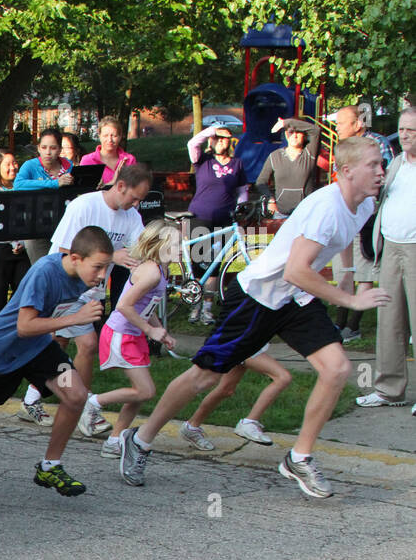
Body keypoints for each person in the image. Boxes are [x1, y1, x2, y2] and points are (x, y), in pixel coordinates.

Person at [119, 136, 389, 499]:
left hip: (295, 300)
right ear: (346, 171)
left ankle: (300, 457)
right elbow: (296, 269)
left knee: (337, 368)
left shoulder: (366, 205)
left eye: (381, 163)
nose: (380, 170)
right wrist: (349, 300)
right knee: (204, 376)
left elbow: (313, 268)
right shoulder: (327, 207)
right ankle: (141, 439)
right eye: (372, 164)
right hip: (257, 298)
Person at [0, 227, 114, 497]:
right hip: (2, 350)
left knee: (76, 395)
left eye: (107, 267)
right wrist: (75, 319)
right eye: (99, 267)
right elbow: (24, 326)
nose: (103, 275)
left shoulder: (85, 277)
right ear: (76, 258)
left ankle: (50, 466)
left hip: (38, 349)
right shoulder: (45, 272)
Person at [35, 163, 151, 435]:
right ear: (120, 185)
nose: (136, 204)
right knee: (86, 345)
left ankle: (37, 396)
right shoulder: (84, 206)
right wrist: (112, 257)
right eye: (134, 197)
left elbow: (139, 251)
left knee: (56, 347)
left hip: (92, 289)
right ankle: (83, 406)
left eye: (140, 200)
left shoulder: (131, 216)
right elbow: (65, 250)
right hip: (64, 285)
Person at [87, 220, 179, 458]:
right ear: (159, 245)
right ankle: (93, 403)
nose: (181, 247)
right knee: (145, 391)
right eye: (176, 243)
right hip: (121, 333)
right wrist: (150, 331)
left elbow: (147, 306)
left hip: (133, 333)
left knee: (139, 394)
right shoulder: (150, 272)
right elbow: (124, 305)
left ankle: (114, 441)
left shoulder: (162, 269)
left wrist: (161, 331)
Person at [356, 107, 416, 410]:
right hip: (391, 248)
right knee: (389, 321)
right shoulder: (394, 166)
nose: (404, 135)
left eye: (411, 131)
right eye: (402, 129)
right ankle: (388, 391)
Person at [331, 105, 393, 340]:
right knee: (344, 270)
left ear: (358, 124)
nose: (336, 128)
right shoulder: (341, 148)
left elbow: (385, 179)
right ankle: (339, 324)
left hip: (368, 217)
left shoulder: (376, 144)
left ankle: (353, 326)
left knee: (365, 271)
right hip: (346, 212)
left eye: (340, 123)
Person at [185, 125, 248, 324]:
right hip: (200, 216)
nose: (222, 141)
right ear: (212, 140)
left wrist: (241, 207)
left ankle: (207, 309)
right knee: (199, 262)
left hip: (224, 219)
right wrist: (210, 131)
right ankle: (194, 306)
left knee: (214, 264)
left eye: (226, 139)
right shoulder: (203, 160)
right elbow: (192, 143)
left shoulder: (237, 164)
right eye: (218, 138)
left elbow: (243, 191)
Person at [14, 128, 75, 262]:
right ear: (39, 148)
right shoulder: (30, 165)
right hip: (36, 226)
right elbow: (18, 185)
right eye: (44, 147)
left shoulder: (68, 166)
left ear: (59, 150)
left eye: (53, 148)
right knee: (42, 268)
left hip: (62, 225)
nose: (48, 152)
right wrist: (54, 183)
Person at [0, 149, 29, 318]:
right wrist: (12, 242)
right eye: (7, 164)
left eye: (15, 163)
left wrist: (22, 242)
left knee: (22, 290)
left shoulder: (23, 187)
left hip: (22, 249)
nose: (13, 167)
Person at [257, 118, 320, 218]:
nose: (295, 135)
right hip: (281, 214)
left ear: (304, 135)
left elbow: (316, 130)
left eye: (299, 132)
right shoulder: (274, 156)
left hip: (306, 214)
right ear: (286, 134)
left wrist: (285, 123)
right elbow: (260, 182)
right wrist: (270, 199)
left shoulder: (309, 154)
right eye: (291, 132)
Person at [80, 116, 136, 187]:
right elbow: (84, 192)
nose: (110, 140)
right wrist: (111, 183)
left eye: (114, 136)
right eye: (105, 136)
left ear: (120, 136)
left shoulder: (129, 159)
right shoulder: (88, 160)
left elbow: (134, 188)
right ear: (99, 136)